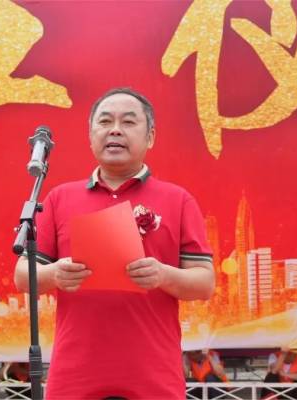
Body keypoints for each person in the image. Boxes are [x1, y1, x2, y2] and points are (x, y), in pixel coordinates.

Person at [14, 87, 215, 399]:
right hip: (76, 374)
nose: (115, 130)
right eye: (105, 121)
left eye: (128, 122)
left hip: (153, 374)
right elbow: (22, 276)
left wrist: (163, 275)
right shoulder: (59, 199)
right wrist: (55, 274)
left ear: (150, 137)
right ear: (90, 136)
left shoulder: (178, 200)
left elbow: (204, 283)